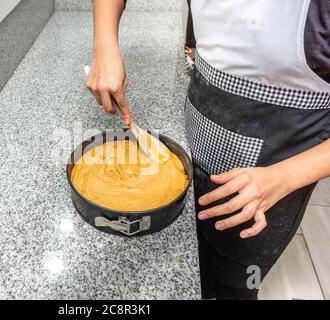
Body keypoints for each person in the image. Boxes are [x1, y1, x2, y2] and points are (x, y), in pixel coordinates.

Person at [86, 0, 330, 300]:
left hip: (276, 175)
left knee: (236, 280)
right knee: (196, 262)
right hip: (197, 140)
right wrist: (104, 45)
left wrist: (284, 177)